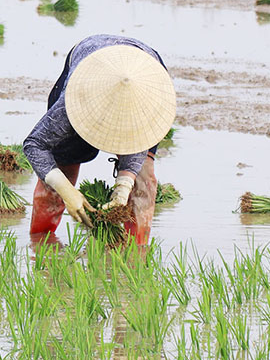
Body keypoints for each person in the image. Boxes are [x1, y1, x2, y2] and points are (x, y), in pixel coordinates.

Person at [22, 35, 176, 244]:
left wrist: (123, 188)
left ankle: (136, 251)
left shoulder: (148, 101)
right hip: (90, 67)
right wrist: (66, 190)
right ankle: (41, 244)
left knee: (142, 179)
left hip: (143, 75)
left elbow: (140, 143)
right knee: (61, 169)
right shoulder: (73, 102)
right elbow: (34, 145)